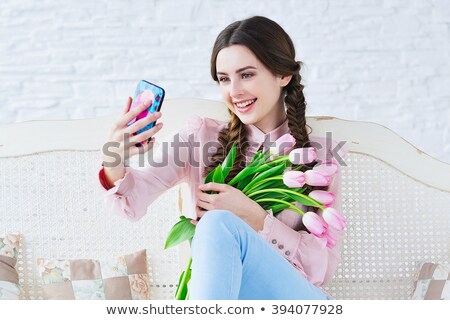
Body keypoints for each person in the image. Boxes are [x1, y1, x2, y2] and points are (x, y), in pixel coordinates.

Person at [99, 16, 346, 300]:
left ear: (283, 75)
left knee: (216, 223)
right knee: (216, 226)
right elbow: (131, 202)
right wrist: (113, 156)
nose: (234, 91)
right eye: (224, 79)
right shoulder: (201, 137)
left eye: (247, 75)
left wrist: (255, 218)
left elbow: (321, 271)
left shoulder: (319, 156)